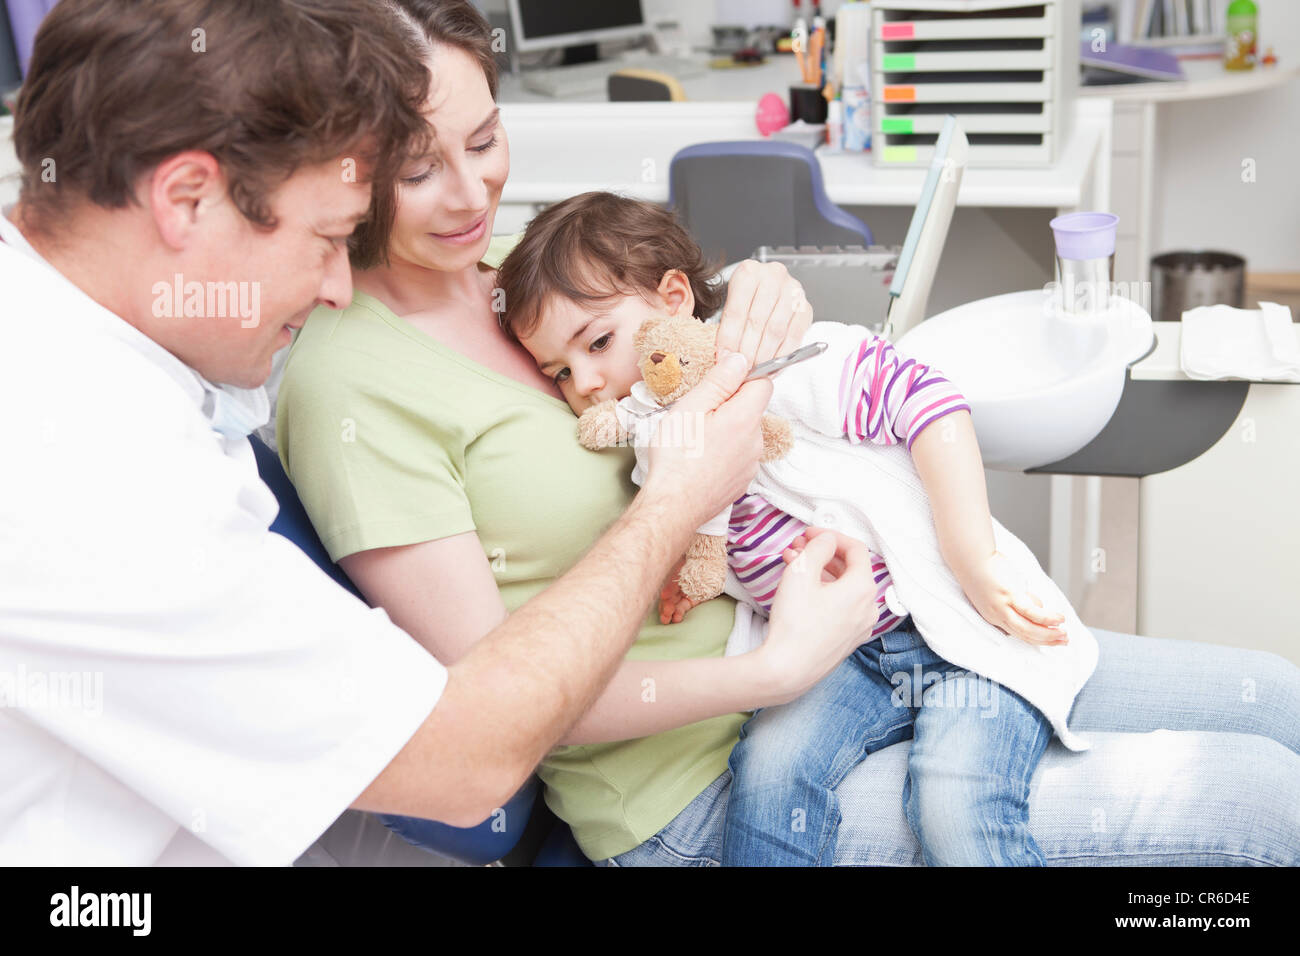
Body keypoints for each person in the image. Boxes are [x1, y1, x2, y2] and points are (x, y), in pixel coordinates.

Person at [276, 0, 1300, 867]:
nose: (469, 193)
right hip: (704, 778)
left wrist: (759, 287)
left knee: (1281, 704)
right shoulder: (348, 385)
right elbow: (485, 724)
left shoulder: (508, 267)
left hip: (854, 641)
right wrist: (772, 671)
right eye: (417, 168)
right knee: (1256, 799)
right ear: (345, 167)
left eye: (487, 140)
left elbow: (675, 323)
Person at [0, 0, 874, 866]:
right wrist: (683, 499)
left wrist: (754, 308)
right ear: (185, 199)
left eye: (484, 140)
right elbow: (463, 760)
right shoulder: (83, 478)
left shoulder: (100, 354)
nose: (341, 285)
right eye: (330, 235)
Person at [496, 189, 1097, 866]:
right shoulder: (658, 446)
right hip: (839, 662)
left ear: (672, 301)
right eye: (560, 373)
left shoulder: (789, 367)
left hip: (951, 625)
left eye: (598, 343)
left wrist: (973, 558)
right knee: (770, 774)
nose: (587, 384)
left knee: (955, 803)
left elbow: (930, 400)